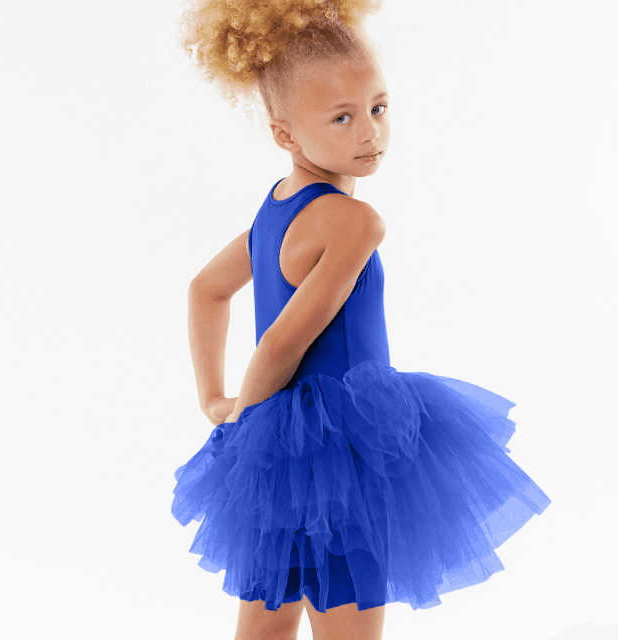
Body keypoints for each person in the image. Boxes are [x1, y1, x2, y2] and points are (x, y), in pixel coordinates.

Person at [170, 2, 552, 639]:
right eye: (341, 119)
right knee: (348, 615)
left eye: (377, 107)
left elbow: (206, 290)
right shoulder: (353, 222)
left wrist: (216, 399)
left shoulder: (277, 208)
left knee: (266, 619)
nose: (370, 134)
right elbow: (282, 344)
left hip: (284, 449)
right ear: (285, 134)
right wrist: (242, 428)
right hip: (345, 445)